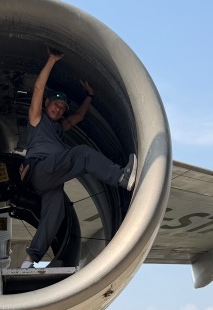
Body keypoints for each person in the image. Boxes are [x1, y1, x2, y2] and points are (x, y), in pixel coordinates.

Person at [20, 47, 137, 269]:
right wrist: (52, 60)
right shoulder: (36, 120)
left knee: (54, 215)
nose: (58, 109)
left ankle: (30, 260)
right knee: (81, 153)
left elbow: (79, 116)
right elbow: (38, 88)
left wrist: (89, 96)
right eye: (55, 104)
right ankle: (121, 177)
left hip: (51, 179)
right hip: (41, 168)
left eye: (62, 108)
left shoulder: (59, 129)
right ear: (46, 104)